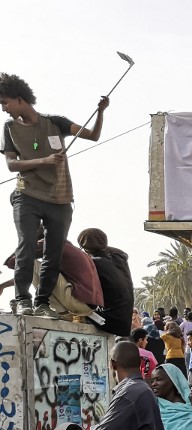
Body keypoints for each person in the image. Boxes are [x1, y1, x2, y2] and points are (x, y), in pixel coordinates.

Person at [1, 73, 108, 318]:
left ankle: (42, 303)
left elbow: (92, 135)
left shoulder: (55, 123)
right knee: (27, 245)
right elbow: (11, 164)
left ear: (20, 99)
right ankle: (23, 299)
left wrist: (101, 112)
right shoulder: (10, 128)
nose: (4, 108)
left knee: (53, 253)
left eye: (5, 102)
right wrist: (45, 160)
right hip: (27, 194)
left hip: (59, 199)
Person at [77, 228, 133, 336]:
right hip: (125, 324)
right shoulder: (119, 259)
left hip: (109, 322)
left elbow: (87, 297)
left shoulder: (93, 264)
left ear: (85, 250)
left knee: (80, 306)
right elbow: (121, 252)